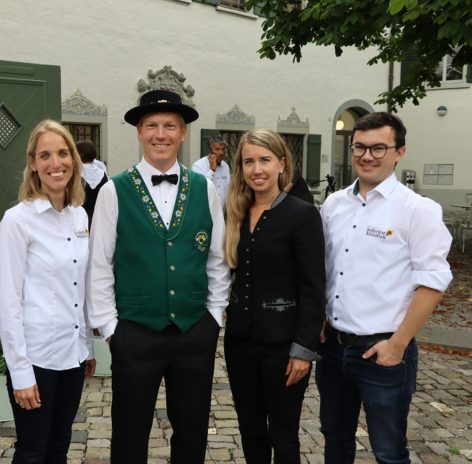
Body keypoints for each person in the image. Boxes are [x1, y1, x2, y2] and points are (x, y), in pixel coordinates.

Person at [86, 89, 231, 464]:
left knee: (193, 430)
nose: (160, 134)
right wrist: (110, 328)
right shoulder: (114, 191)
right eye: (151, 125)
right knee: (129, 432)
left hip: (194, 331)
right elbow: (100, 264)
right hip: (135, 332)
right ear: (139, 132)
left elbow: (217, 258)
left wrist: (214, 317)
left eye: (169, 125)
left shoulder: (204, 188)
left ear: (183, 133)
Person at [317, 112, 453, 463]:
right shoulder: (334, 205)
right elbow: (324, 269)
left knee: (389, 451)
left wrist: (397, 344)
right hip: (333, 350)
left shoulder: (417, 209)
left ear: (399, 152)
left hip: (384, 352)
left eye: (379, 148)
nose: (367, 156)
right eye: (359, 147)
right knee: (335, 441)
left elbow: (432, 283)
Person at [223, 129, 325, 463]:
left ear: (282, 164)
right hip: (240, 343)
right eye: (249, 162)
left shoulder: (302, 214)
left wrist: (303, 349)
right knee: (250, 429)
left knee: (283, 434)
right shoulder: (235, 212)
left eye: (264, 160)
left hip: (283, 347)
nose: (257, 169)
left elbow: (314, 287)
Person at [0, 120, 96, 464]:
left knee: (59, 447)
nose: (56, 163)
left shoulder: (79, 216)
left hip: (73, 355)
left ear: (74, 160)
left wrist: (87, 346)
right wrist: (20, 372)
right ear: (33, 163)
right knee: (31, 452)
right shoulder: (17, 220)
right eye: (45, 155)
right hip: (36, 358)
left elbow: (80, 288)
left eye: (63, 153)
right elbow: (9, 303)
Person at [192, 134, 231, 207]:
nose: (221, 152)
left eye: (223, 149)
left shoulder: (225, 166)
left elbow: (228, 189)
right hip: (204, 208)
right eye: (217, 149)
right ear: (210, 150)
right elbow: (200, 188)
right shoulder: (198, 165)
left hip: (222, 210)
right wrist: (212, 170)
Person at [76, 139, 108, 227]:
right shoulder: (103, 173)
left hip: (80, 221)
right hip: (100, 220)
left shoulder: (75, 174)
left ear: (79, 154)